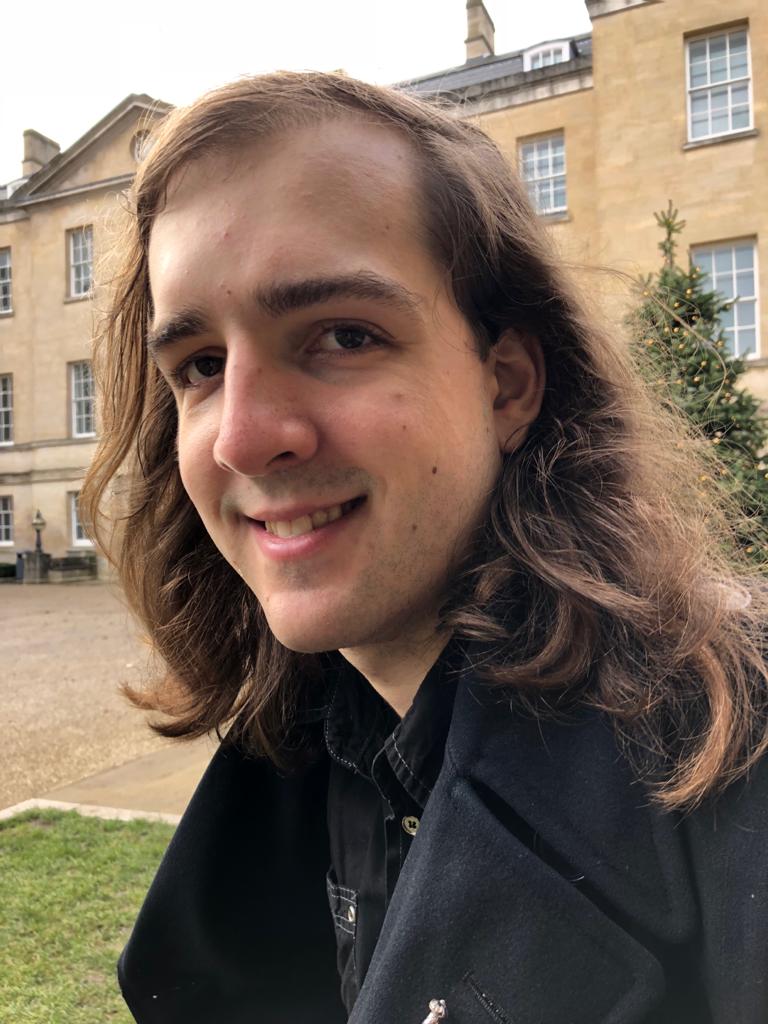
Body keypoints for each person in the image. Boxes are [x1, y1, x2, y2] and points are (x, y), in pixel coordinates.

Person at [82, 72, 768, 1024]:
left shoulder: (738, 753)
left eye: (343, 335)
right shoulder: (310, 748)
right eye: (200, 366)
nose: (240, 437)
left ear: (509, 385)